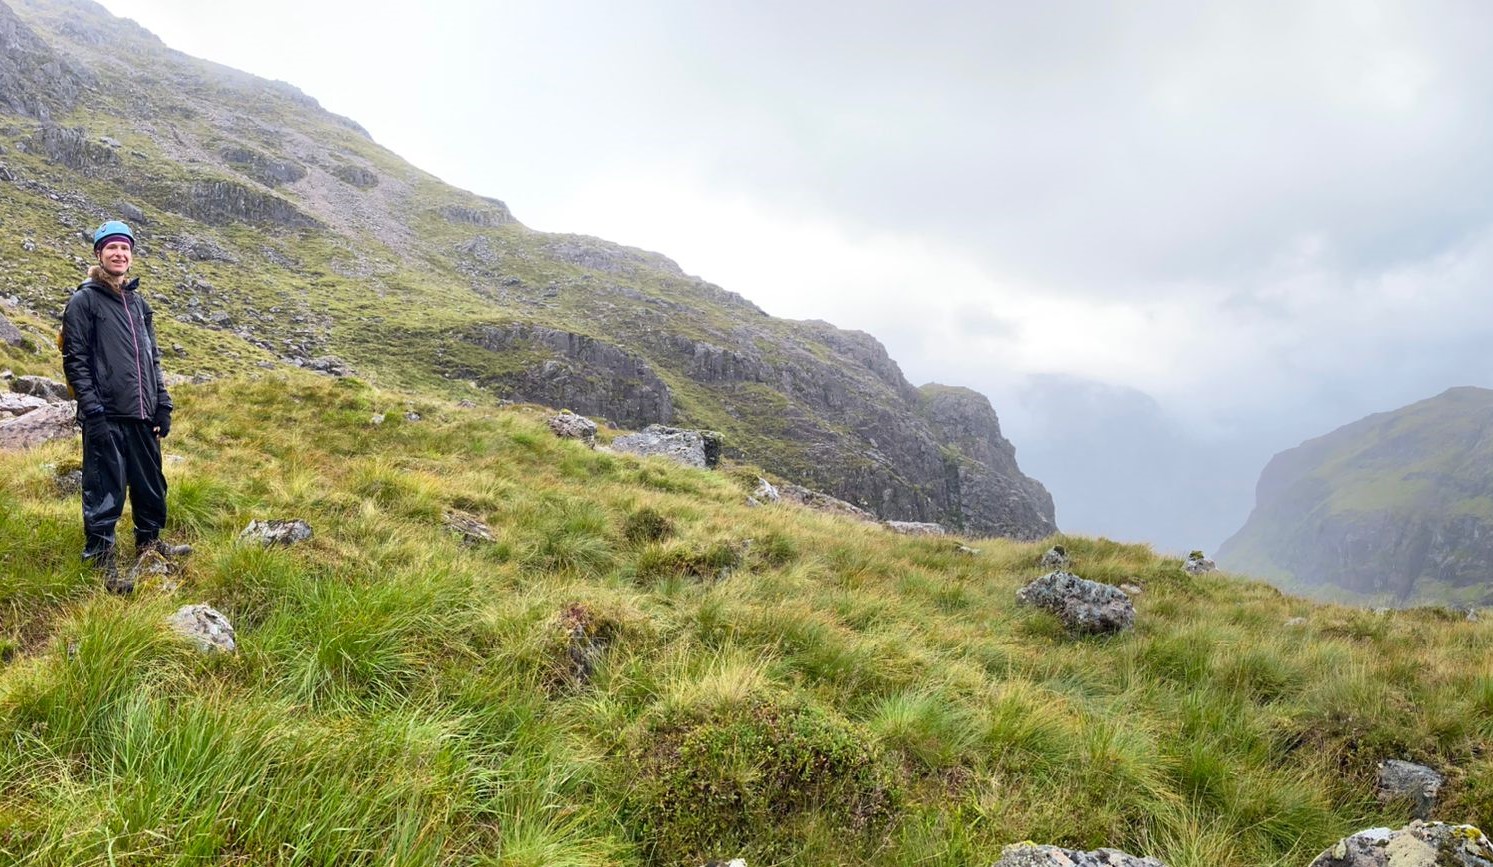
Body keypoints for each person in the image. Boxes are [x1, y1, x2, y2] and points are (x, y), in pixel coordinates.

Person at [61, 220, 189, 593]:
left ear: (131, 255)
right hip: (106, 415)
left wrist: (162, 404)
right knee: (105, 491)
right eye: (111, 248)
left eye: (125, 248)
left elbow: (152, 359)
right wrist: (93, 412)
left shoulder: (138, 303)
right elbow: (76, 361)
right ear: (99, 254)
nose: (119, 254)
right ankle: (100, 562)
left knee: (151, 487)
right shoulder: (84, 300)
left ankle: (149, 545)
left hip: (143, 414)